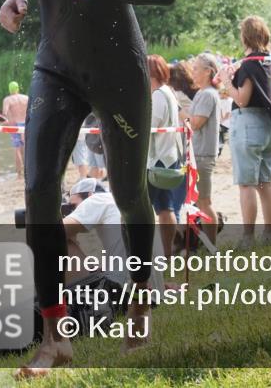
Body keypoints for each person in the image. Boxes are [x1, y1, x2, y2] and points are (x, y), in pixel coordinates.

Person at [0, 0, 178, 375]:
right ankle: (56, 337)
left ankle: (140, 303)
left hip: (117, 65)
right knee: (38, 194)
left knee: (129, 195)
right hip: (55, 64)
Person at [220, 16, 271, 247]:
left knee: (246, 184)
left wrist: (227, 81)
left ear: (244, 36)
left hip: (248, 125)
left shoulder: (248, 64)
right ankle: (269, 235)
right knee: (265, 184)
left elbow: (242, 99)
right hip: (268, 126)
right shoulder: (266, 61)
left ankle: (248, 238)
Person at [63, 178, 164, 292]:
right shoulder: (125, 204)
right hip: (150, 293)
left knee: (59, 239)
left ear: (90, 194)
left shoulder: (96, 200)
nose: (72, 212)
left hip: (121, 292)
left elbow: (54, 231)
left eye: (73, 206)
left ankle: (60, 296)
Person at [146, 55, 185, 260]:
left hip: (157, 159)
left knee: (146, 209)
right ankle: (167, 254)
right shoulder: (168, 92)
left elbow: (150, 125)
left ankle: (147, 253)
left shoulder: (158, 95)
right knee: (165, 208)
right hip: (169, 156)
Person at [187, 54, 221, 246]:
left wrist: (179, 112)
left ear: (208, 71)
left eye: (196, 69)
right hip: (198, 153)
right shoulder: (203, 93)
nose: (192, 72)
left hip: (202, 154)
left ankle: (212, 246)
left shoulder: (207, 94)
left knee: (204, 202)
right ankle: (205, 243)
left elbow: (196, 123)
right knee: (200, 202)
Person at [2, 81, 28, 180]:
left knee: (17, 149)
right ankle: (28, 171)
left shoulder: (8, 99)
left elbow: (4, 113)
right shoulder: (26, 98)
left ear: (9, 89)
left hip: (15, 126)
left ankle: (19, 174)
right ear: (18, 88)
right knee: (27, 148)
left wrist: (5, 122)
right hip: (26, 125)